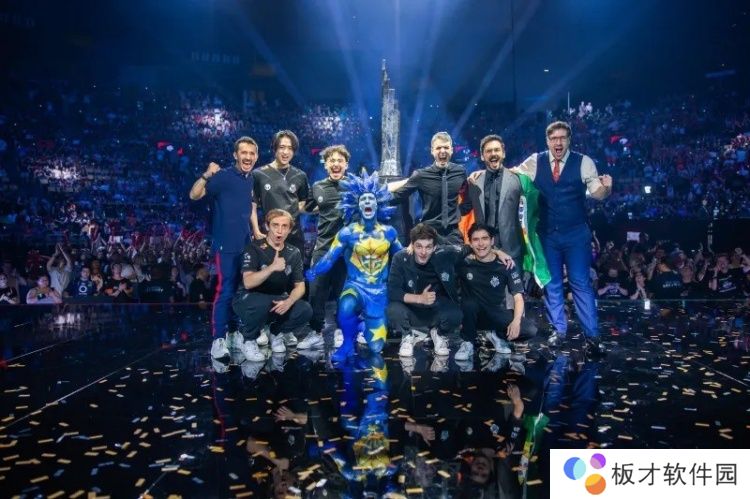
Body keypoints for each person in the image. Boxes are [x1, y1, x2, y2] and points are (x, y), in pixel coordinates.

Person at [514, 121, 613, 355]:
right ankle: (558, 331)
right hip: (547, 235)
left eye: (562, 138)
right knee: (553, 284)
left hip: (576, 234)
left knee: (580, 283)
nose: (558, 142)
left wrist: (607, 188)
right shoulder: (535, 161)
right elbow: (512, 174)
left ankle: (592, 336)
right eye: (554, 138)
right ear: (547, 141)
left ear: (569, 140)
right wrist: (484, 172)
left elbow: (598, 194)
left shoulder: (584, 162)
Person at [305, 172, 403, 361]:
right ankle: (347, 342)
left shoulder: (389, 233)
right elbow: (329, 258)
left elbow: (402, 257)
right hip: (355, 286)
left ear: (377, 204)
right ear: (357, 205)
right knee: (346, 306)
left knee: (376, 347)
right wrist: (314, 271)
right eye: (363, 199)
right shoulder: (347, 233)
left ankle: (362, 326)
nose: (367, 202)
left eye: (370, 199)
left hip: (379, 291)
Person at [189, 136, 259, 360]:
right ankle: (218, 339)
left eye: (252, 153)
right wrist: (206, 174)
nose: (248, 157)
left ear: (256, 156)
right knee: (226, 289)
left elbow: (251, 208)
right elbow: (194, 195)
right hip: (226, 244)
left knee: (243, 291)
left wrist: (256, 232)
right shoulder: (223, 176)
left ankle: (235, 333)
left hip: (245, 244)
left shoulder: (252, 179)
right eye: (244, 152)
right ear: (235, 155)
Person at [232, 209, 312, 362]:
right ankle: (247, 339)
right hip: (248, 299)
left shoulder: (293, 252)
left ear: (289, 229)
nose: (279, 231)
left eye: (284, 226)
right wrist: (272, 268)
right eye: (275, 225)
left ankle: (275, 332)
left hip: (277, 299)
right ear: (267, 226)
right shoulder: (253, 248)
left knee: (305, 309)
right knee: (262, 304)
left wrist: (289, 301)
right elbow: (248, 282)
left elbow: (300, 286)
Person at [455, 223, 537, 361]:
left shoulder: (506, 265)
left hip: (495, 313)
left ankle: (496, 335)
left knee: (530, 329)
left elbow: (518, 297)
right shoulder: (464, 263)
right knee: (469, 304)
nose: (481, 243)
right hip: (471, 315)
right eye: (476, 240)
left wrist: (516, 321)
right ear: (470, 243)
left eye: (485, 238)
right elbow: (447, 251)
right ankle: (467, 342)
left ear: (492, 240)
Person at [297, 145, 350, 349]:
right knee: (316, 291)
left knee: (343, 293)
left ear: (346, 164)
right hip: (323, 248)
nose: (336, 164)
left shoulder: (354, 186)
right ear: (326, 164)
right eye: (332, 161)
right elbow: (305, 207)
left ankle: (341, 330)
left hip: (346, 251)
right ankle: (315, 332)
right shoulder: (317, 186)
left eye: (340, 161)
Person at [389, 132, 467, 245]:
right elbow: (398, 196)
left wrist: (458, 213)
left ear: (451, 150)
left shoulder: (460, 172)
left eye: (446, 147)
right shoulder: (421, 175)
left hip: (453, 234)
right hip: (429, 233)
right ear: (432, 151)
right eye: (438, 148)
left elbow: (467, 196)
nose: (442, 151)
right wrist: (375, 197)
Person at [461, 135, 524, 267]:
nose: (493, 154)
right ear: (482, 156)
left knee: (516, 282)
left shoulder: (518, 179)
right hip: (483, 251)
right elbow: (464, 208)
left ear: (503, 153)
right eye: (489, 151)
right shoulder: (474, 182)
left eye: (497, 150)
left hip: (512, 249)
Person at [251, 130, 311, 256]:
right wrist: (256, 230)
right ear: (274, 148)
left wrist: (325, 205)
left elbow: (303, 205)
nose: (286, 152)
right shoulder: (259, 174)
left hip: (294, 237)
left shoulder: (300, 175)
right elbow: (252, 205)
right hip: (268, 236)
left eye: (290, 148)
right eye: (282, 147)